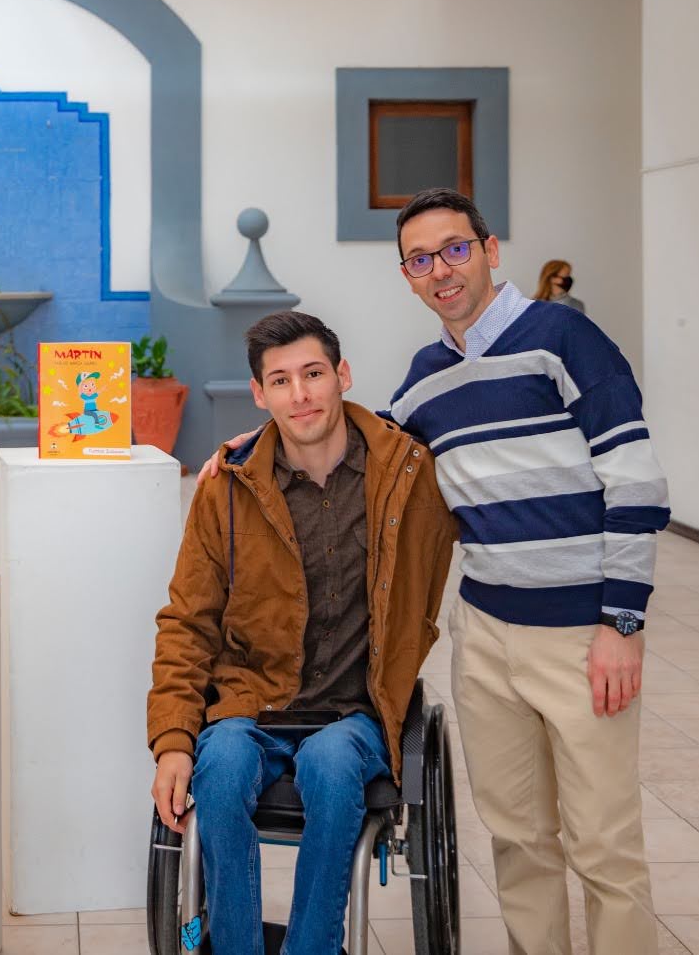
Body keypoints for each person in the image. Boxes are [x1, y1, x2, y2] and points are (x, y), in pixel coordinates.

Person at [201, 188, 670, 955]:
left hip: (582, 634)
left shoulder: (565, 340)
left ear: (489, 251)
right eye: (420, 260)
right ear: (408, 276)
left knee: (604, 846)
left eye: (455, 249)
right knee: (519, 840)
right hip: (485, 635)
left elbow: (638, 484)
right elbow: (354, 436)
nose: (441, 270)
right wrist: (243, 452)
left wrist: (621, 622)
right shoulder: (425, 382)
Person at [149, 311, 456, 955]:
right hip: (250, 706)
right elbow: (187, 622)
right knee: (222, 763)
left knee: (331, 763)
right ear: (259, 394)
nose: (302, 395)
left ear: (342, 375)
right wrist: (174, 741)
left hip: (357, 710)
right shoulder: (225, 491)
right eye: (281, 381)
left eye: (314, 374)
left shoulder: (409, 475)